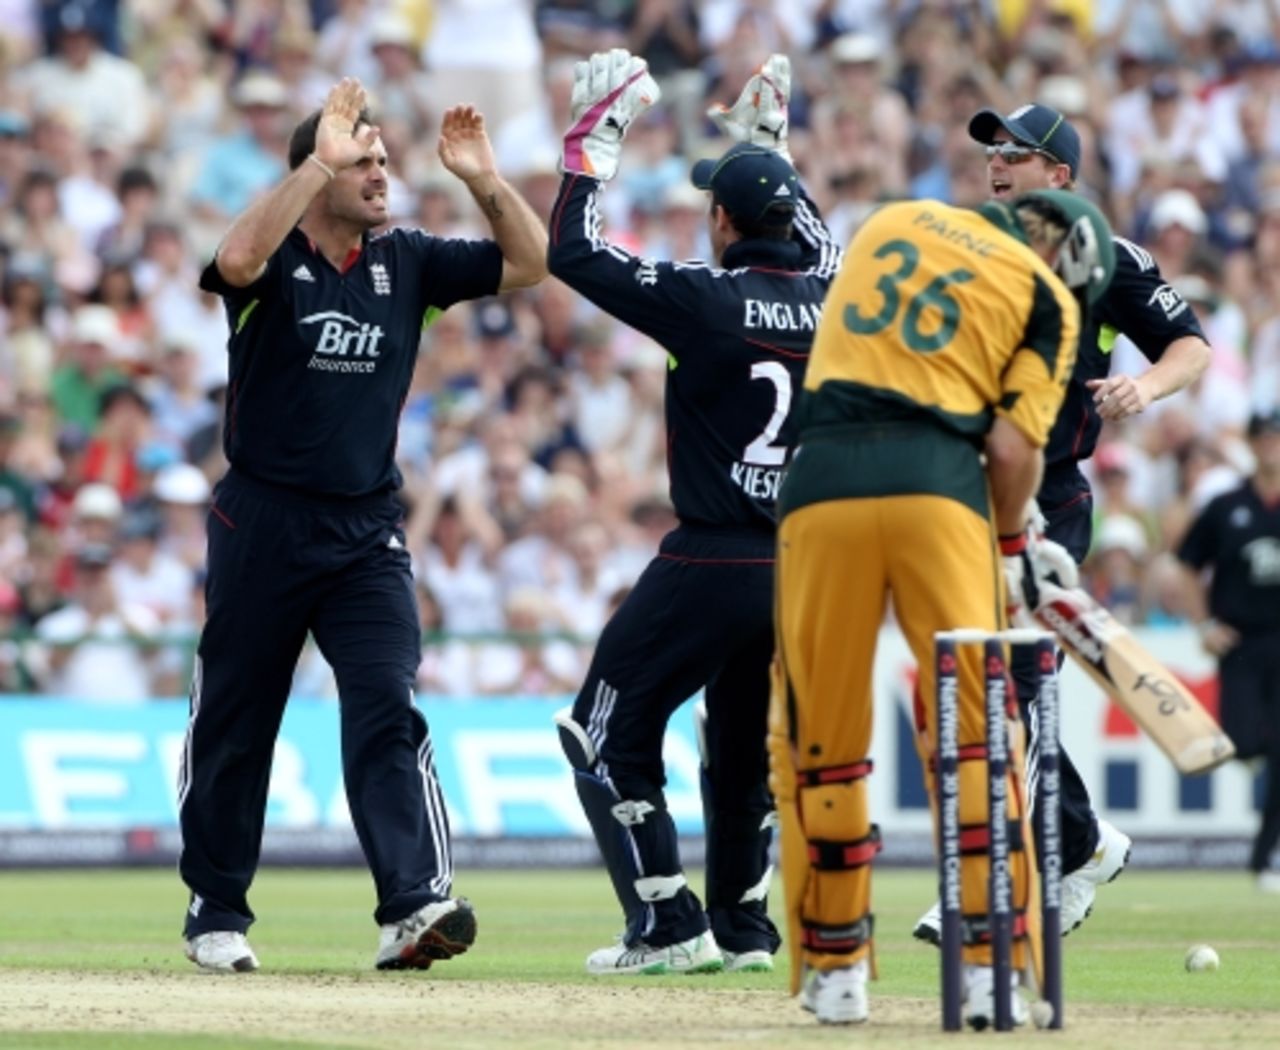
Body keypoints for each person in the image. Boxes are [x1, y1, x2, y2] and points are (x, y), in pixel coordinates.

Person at [178, 78, 548, 974]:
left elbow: (531, 263)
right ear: (321, 169)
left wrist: (486, 181)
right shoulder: (274, 260)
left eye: (384, 160)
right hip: (262, 518)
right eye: (363, 160)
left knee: (387, 703)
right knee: (238, 717)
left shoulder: (409, 259)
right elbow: (232, 262)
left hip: (366, 530)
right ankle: (217, 909)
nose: (380, 174)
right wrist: (316, 161)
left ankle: (414, 904)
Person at [772, 189, 1115, 1026]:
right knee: (977, 735)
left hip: (819, 486)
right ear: (1068, 260)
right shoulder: (1046, 300)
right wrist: (1012, 547)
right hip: (941, 491)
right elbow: (1009, 446)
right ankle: (985, 968)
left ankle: (837, 967)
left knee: (822, 738)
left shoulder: (891, 219)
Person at [548, 50, 841, 976]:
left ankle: (667, 924)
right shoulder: (838, 300)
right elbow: (821, 245)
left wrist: (593, 144)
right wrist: (773, 151)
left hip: (712, 557)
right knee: (741, 744)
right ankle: (748, 932)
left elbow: (576, 253)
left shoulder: (703, 298)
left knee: (600, 727)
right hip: (799, 567)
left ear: (721, 222)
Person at [910, 102, 1213, 947]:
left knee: (982, 675)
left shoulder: (1103, 257)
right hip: (963, 490)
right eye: (992, 151)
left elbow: (1190, 345)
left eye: (1018, 152)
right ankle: (1075, 841)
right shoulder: (964, 250)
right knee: (975, 681)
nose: (998, 163)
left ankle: (998, 877)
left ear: (1061, 175)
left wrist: (1143, 389)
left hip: (1049, 495)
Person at [1176, 408, 1280, 893]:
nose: (1270, 446)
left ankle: (1266, 857)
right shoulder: (1227, 504)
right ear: (1254, 444)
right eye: (1264, 438)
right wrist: (1204, 623)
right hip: (1241, 640)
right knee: (1241, 741)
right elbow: (1186, 565)